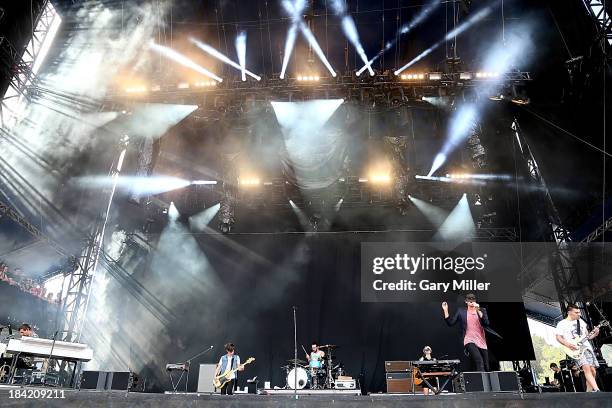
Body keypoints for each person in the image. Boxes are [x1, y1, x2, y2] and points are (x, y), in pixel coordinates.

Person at [442, 293, 500, 372]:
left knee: (486, 366)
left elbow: (486, 323)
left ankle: (487, 381)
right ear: (466, 301)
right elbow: (450, 323)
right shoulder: (461, 311)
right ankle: (482, 383)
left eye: (473, 300)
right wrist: (445, 310)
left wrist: (478, 310)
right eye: (469, 300)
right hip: (469, 339)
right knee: (479, 361)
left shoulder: (482, 310)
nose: (471, 302)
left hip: (481, 340)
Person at [555, 304, 600, 392]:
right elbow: (558, 337)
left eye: (579, 312)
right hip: (575, 349)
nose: (579, 314)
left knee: (593, 371)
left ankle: (589, 393)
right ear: (569, 312)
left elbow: (587, 337)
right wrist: (568, 344)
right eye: (576, 312)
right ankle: (597, 390)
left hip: (587, 348)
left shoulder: (581, 322)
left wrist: (595, 333)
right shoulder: (562, 324)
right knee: (586, 367)